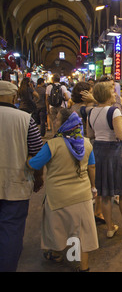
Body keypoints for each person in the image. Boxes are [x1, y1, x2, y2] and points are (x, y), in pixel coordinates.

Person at [27, 109, 98, 272]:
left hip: (58, 196)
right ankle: (84, 267)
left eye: (58, 119)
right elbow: (91, 166)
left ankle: (57, 254)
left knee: (57, 227)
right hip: (82, 194)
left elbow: (34, 164)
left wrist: (27, 157)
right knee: (84, 232)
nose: (54, 121)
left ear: (66, 124)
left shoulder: (53, 145)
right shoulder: (86, 143)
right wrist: (93, 187)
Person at [86, 82, 122, 238]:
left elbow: (90, 134)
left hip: (98, 151)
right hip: (113, 152)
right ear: (107, 95)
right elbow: (121, 135)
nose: (114, 95)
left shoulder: (91, 112)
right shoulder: (114, 111)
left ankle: (110, 228)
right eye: (112, 92)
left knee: (104, 193)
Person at [0, 81, 43, 272]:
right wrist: (38, 178)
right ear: (12, 97)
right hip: (16, 185)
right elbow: (37, 153)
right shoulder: (25, 119)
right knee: (11, 232)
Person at [69, 81, 105, 224]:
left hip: (74, 146)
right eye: (90, 91)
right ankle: (97, 212)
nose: (93, 94)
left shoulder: (72, 107)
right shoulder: (87, 108)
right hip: (88, 145)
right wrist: (94, 100)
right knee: (95, 179)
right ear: (84, 94)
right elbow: (105, 109)